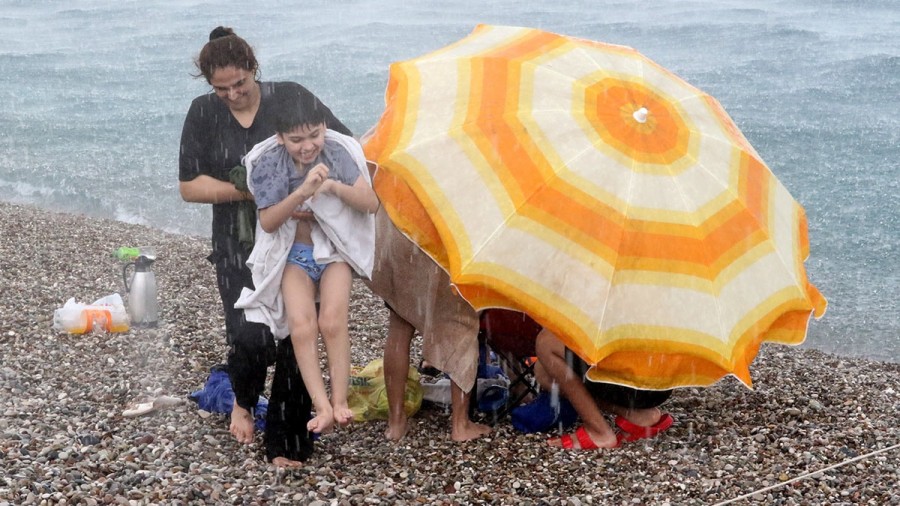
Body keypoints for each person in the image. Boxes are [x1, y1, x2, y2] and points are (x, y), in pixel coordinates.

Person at [178, 26, 351, 466]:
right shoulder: (203, 113)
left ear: (254, 69)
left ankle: (288, 439)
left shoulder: (288, 97)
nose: (234, 95)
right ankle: (243, 398)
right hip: (238, 242)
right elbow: (189, 187)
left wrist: (323, 194)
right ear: (209, 87)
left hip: (299, 242)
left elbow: (342, 146)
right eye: (222, 89)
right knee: (250, 339)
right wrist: (253, 193)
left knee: (299, 334)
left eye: (240, 84)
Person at [247, 92, 379, 436]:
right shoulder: (270, 162)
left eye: (315, 135)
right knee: (302, 328)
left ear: (324, 127)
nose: (308, 146)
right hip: (295, 254)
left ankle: (339, 402)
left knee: (332, 322)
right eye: (296, 139)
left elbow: (370, 203)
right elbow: (269, 222)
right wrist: (302, 192)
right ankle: (321, 407)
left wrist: (332, 186)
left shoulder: (337, 152)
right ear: (279, 137)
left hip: (333, 250)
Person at [533, 328, 674, 450]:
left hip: (633, 379)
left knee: (547, 341)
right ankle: (635, 413)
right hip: (663, 382)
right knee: (544, 371)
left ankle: (599, 431)